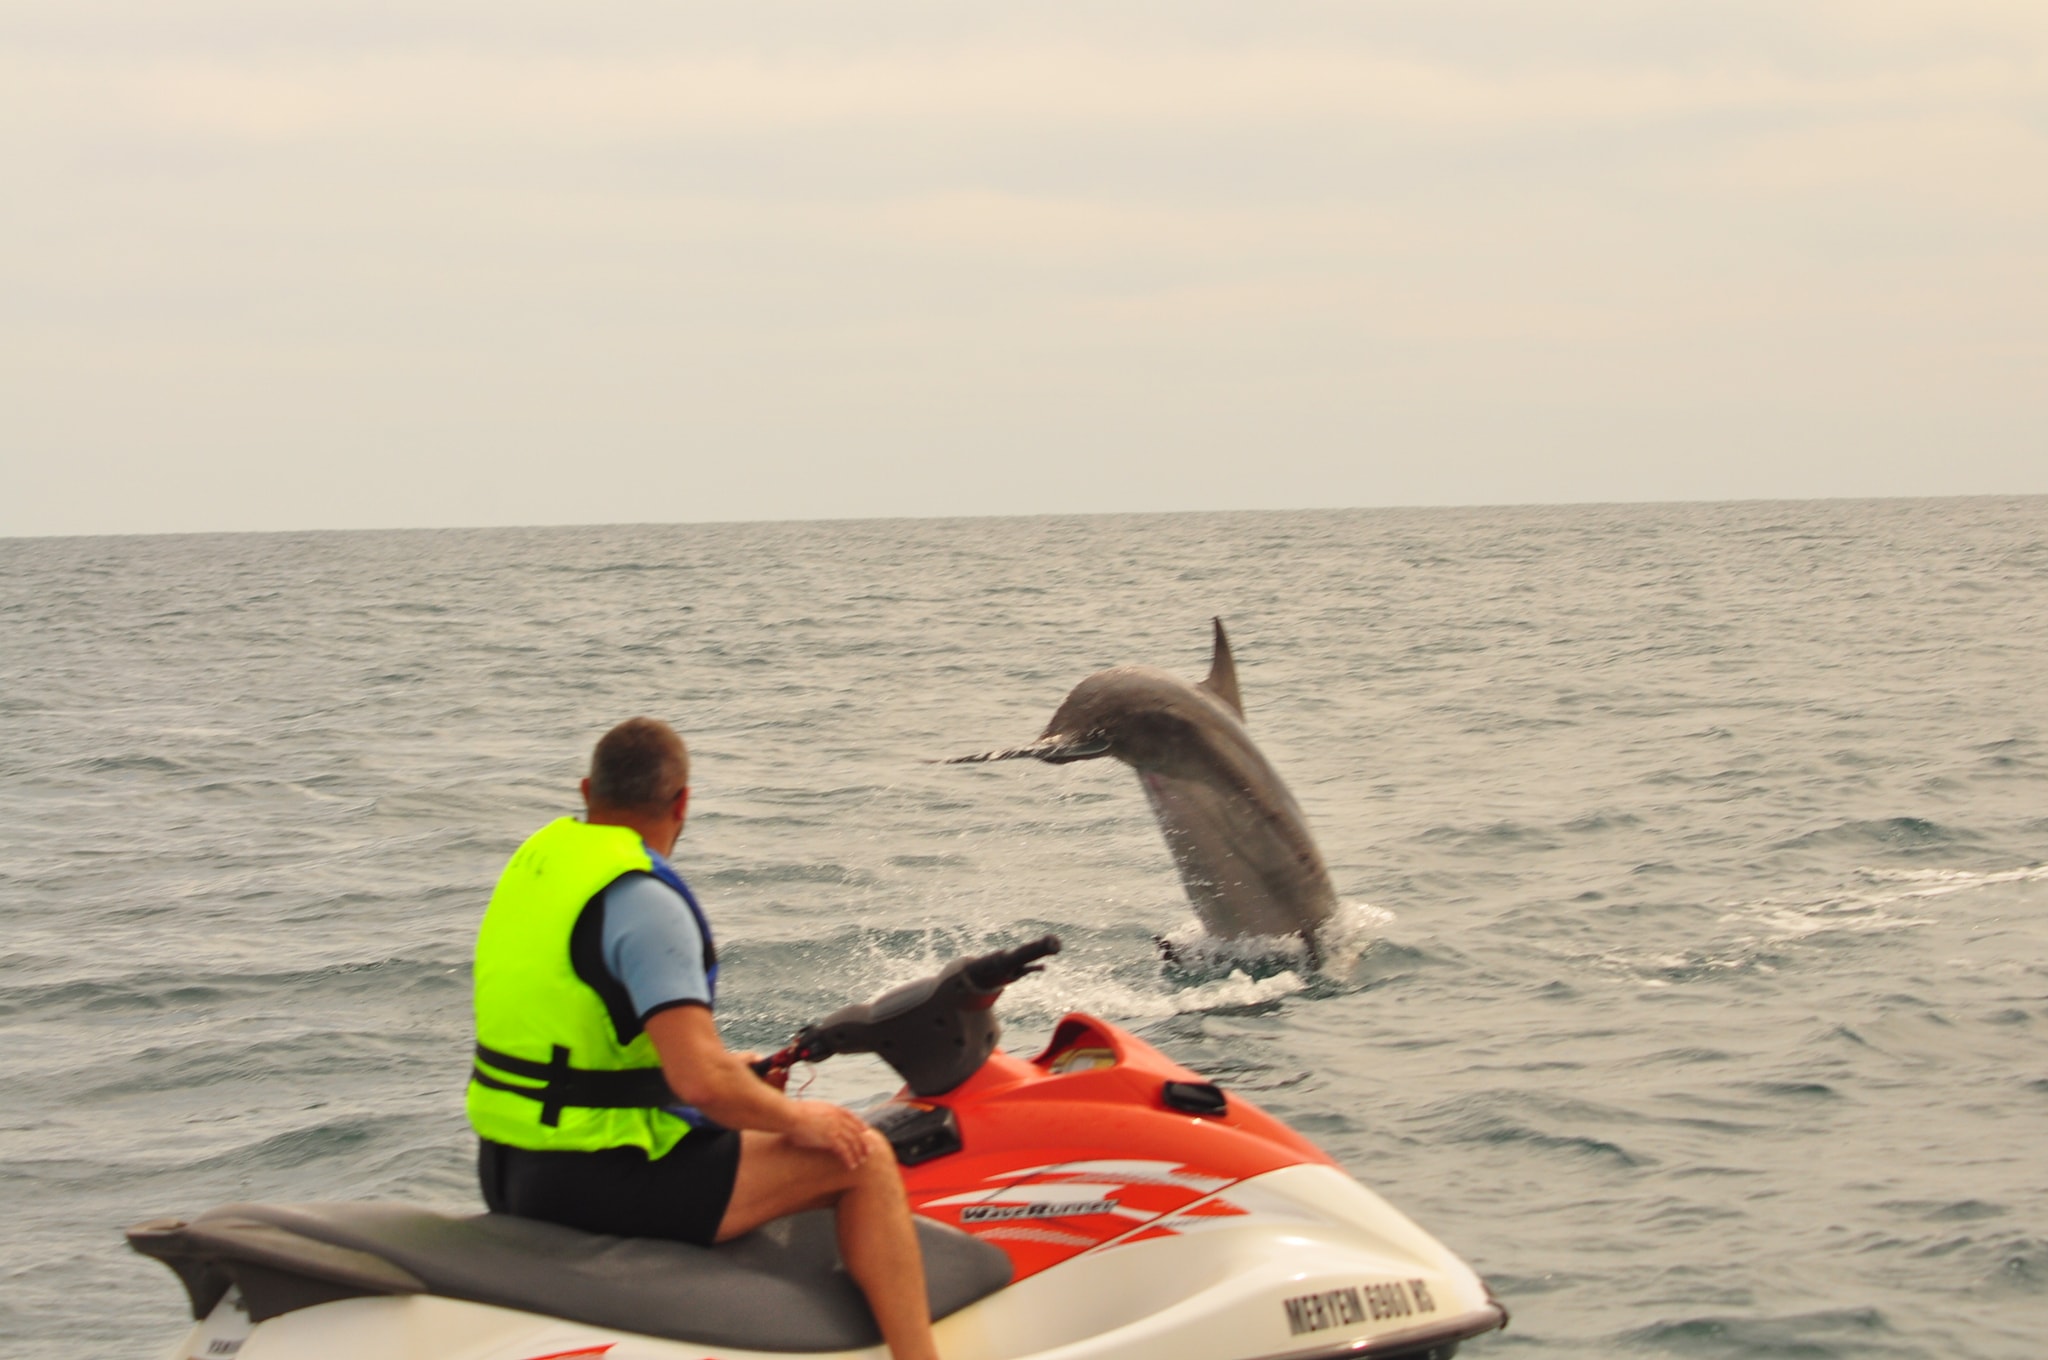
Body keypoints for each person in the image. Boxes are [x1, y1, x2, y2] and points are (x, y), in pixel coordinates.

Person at [467, 717, 938, 1360]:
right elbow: (698, 1083)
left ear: (586, 792)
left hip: (507, 1162)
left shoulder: (539, 862)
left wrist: (729, 1075)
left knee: (754, 1117)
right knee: (862, 1157)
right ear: (682, 802)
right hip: (594, 1178)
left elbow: (583, 1042)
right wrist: (800, 1118)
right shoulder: (643, 900)